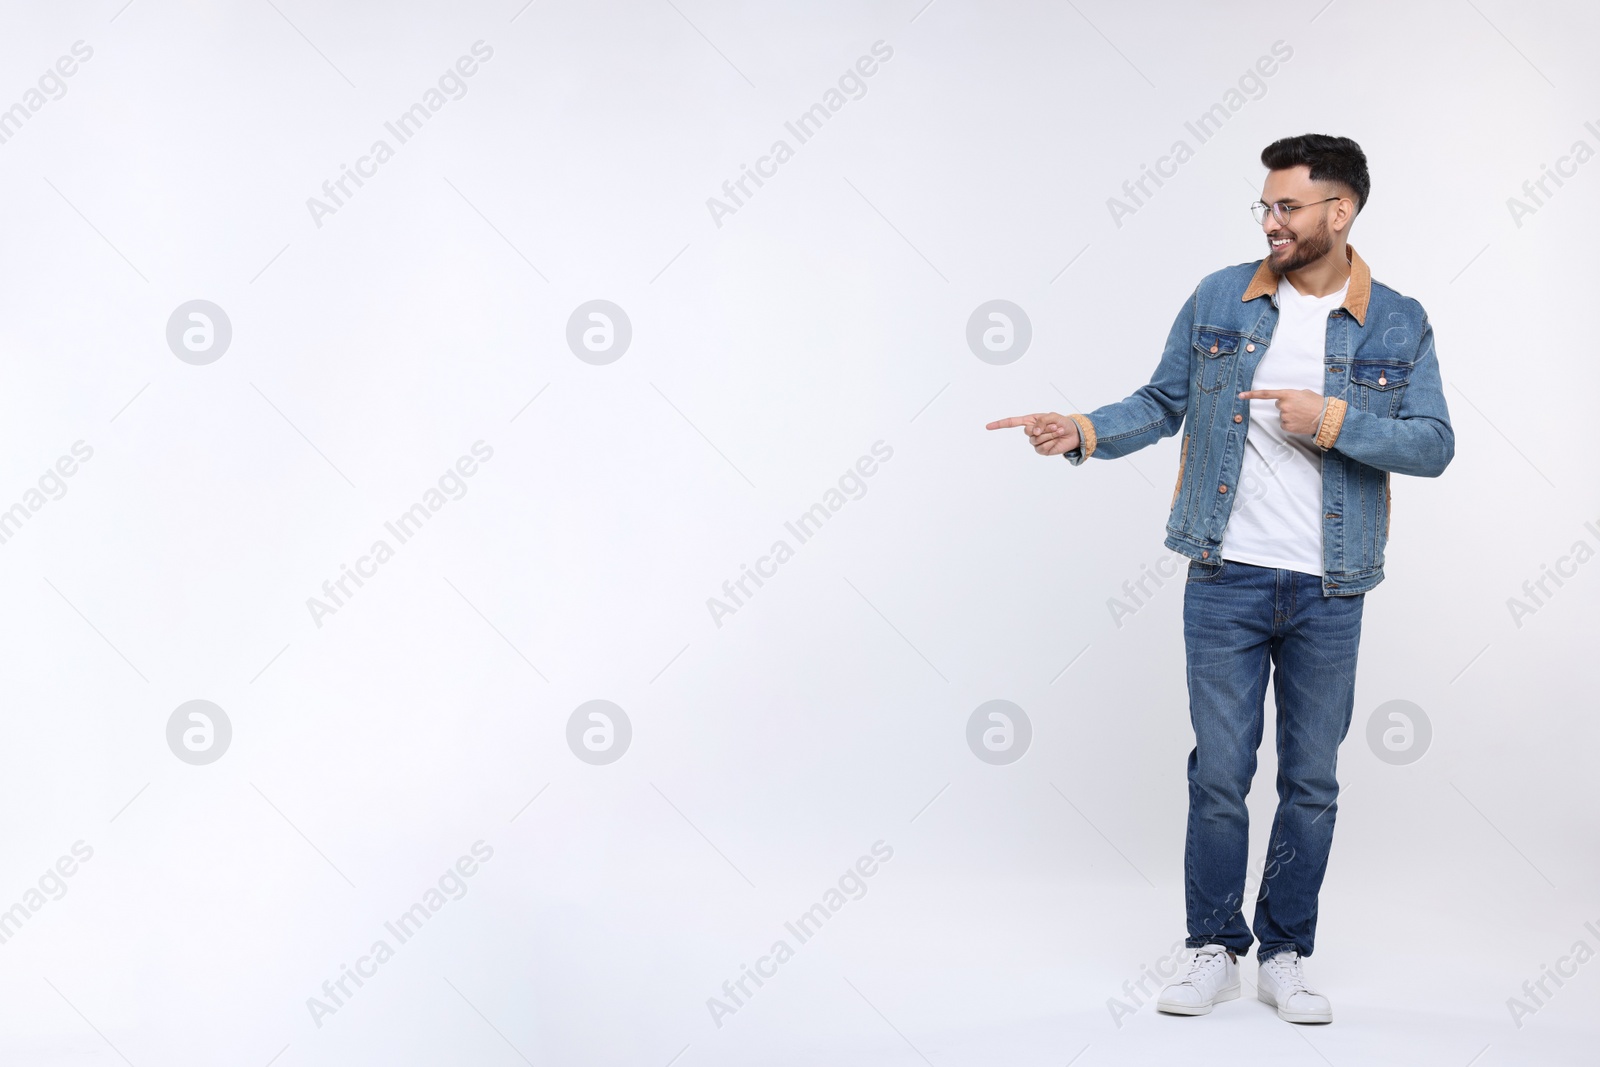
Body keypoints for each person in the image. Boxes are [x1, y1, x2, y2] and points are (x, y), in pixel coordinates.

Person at [986, 134, 1454, 1024]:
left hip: (1330, 585)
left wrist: (1335, 419)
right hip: (1225, 575)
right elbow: (1164, 401)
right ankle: (1213, 946)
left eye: (1288, 207)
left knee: (1311, 779)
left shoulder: (1398, 319)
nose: (1271, 222)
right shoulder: (1218, 299)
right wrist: (1083, 426)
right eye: (1265, 206)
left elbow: (1433, 443)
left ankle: (1286, 951)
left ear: (1339, 211)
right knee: (1219, 773)